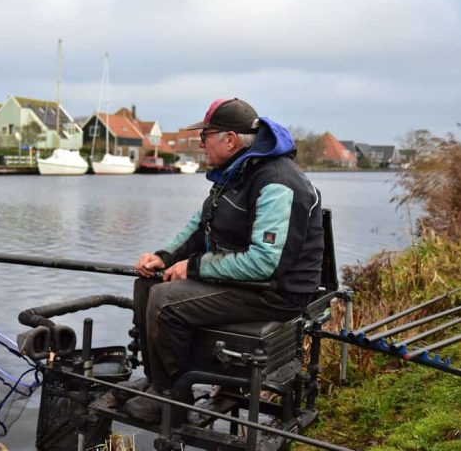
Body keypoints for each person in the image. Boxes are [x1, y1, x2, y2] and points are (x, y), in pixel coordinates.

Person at [121, 98, 324, 423]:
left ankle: (173, 398)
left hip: (276, 292)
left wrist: (193, 266)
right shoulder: (237, 172)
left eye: (206, 136)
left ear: (229, 140)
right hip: (249, 283)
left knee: (165, 300)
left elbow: (264, 263)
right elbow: (200, 224)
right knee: (149, 284)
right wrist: (164, 258)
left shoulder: (276, 182)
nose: (200, 144)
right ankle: (160, 381)